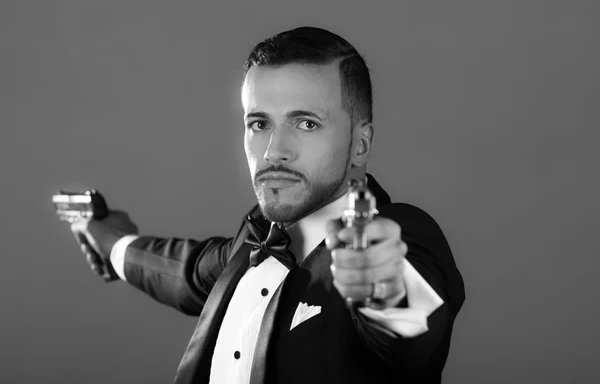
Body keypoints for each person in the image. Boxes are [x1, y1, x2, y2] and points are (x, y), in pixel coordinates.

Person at [71, 26, 465, 384]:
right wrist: (110, 242)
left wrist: (383, 287)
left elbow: (411, 329)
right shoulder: (257, 236)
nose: (275, 152)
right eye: (260, 124)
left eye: (306, 123)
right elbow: (188, 271)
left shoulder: (401, 234)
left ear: (359, 145)